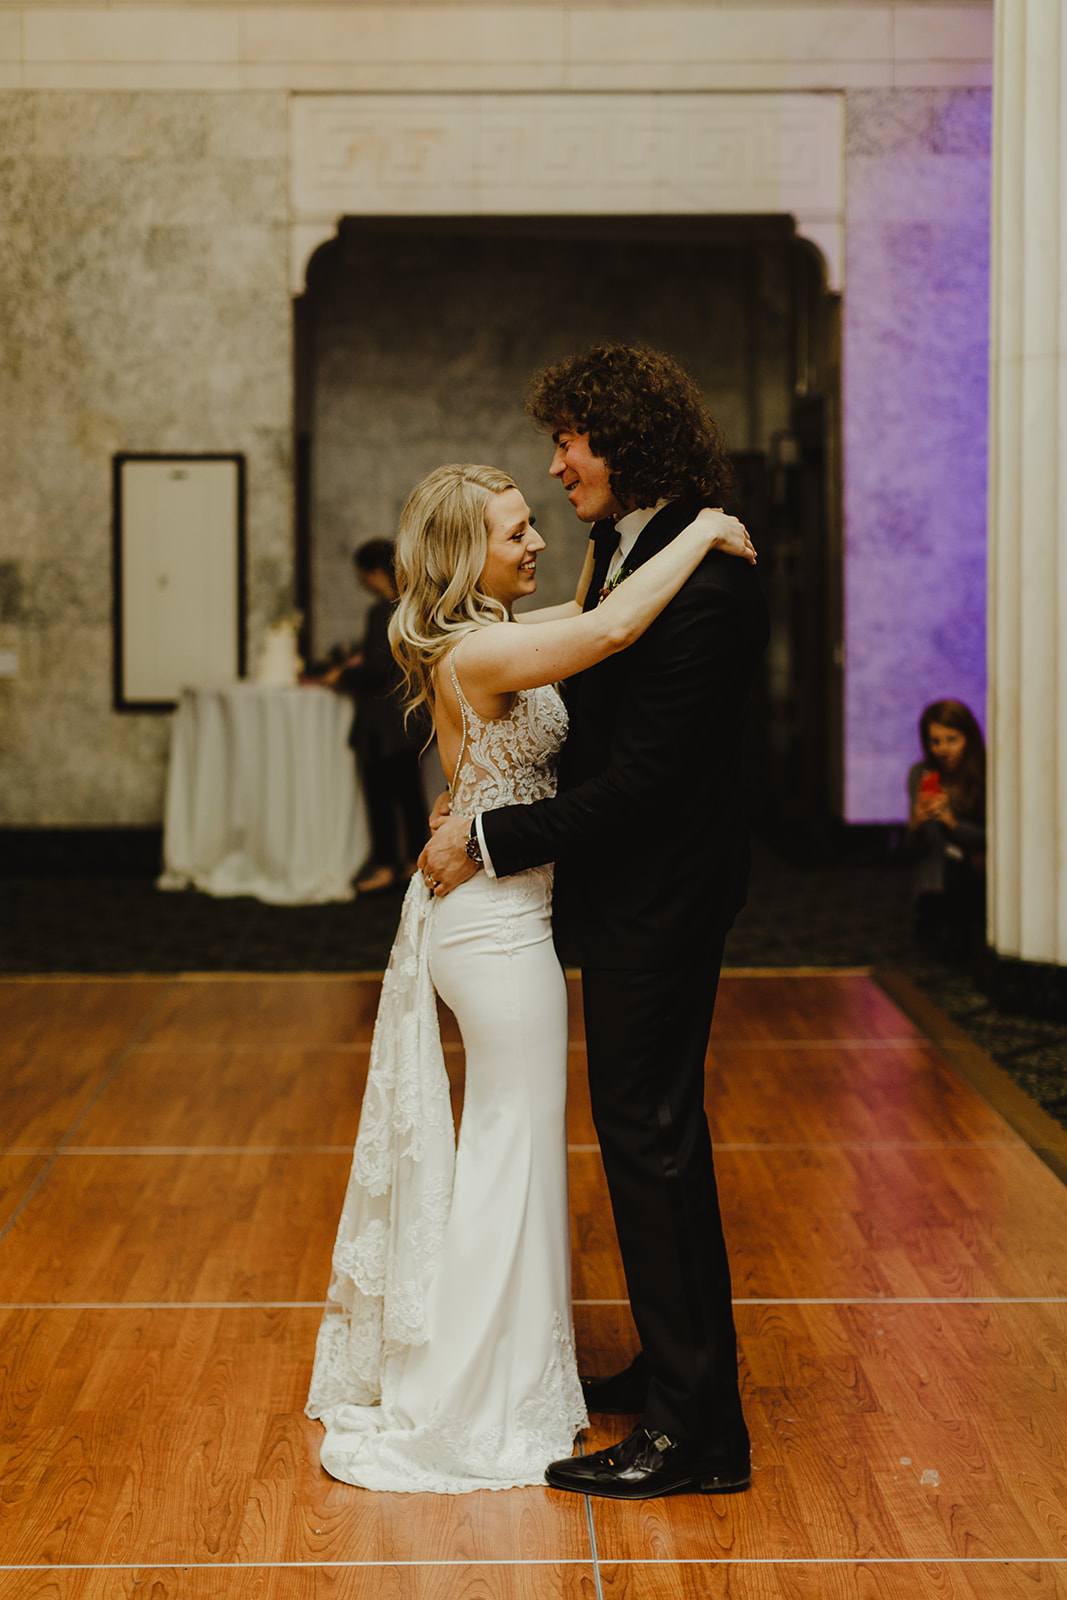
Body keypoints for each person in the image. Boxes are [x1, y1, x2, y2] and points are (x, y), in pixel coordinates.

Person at [305, 460, 755, 1493]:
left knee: (513, 1151)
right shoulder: (484, 648)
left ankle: (510, 1367)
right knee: (508, 1153)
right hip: (497, 931)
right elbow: (606, 633)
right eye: (515, 532)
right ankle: (477, 1389)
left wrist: (642, 548)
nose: (535, 540)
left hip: (506, 918)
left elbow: (596, 606)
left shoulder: (486, 634)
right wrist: (703, 535)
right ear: (470, 553)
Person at [421, 344, 771, 1501]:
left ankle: (695, 1432)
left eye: (570, 439)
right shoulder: (632, 550)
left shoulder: (707, 576)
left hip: (661, 902)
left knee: (653, 1139)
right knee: (641, 1139)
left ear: (623, 437)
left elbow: (653, 782)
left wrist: (487, 838)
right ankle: (675, 1372)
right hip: (619, 898)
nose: (559, 460)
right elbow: (599, 653)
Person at [329, 540, 429, 894]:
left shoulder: (381, 613)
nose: (362, 584)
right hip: (410, 719)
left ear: (374, 572)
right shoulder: (414, 607)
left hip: (383, 723)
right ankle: (413, 864)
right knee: (409, 796)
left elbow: (376, 670)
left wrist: (340, 677)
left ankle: (388, 865)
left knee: (381, 797)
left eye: (362, 576)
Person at [906, 699, 986, 949]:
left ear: (968, 738)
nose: (943, 749)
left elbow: (994, 840)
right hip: (935, 881)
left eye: (952, 739)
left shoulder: (985, 773)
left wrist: (953, 823)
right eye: (935, 741)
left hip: (974, 874)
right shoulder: (922, 773)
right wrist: (917, 822)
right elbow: (910, 851)